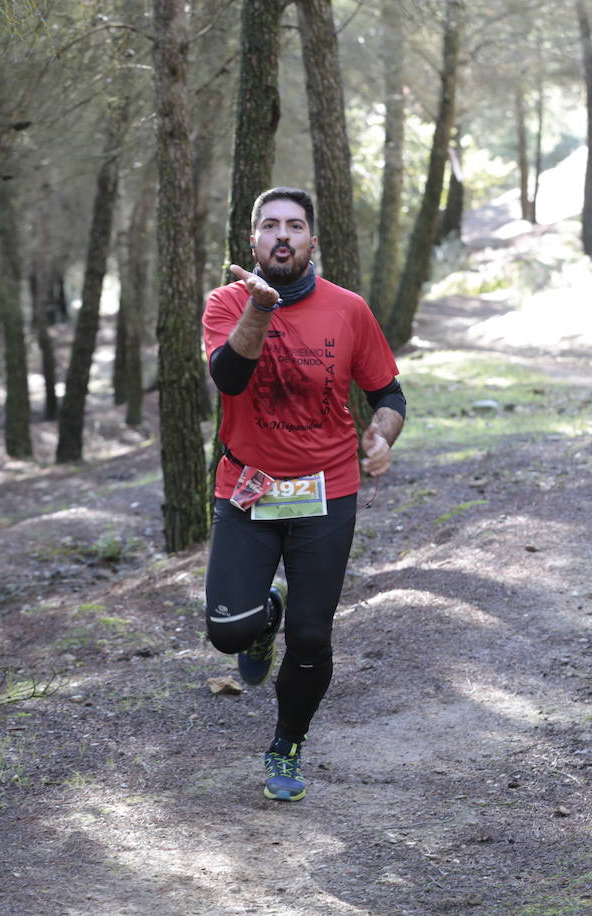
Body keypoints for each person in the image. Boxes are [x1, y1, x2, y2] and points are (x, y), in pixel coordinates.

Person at [202, 187, 406, 802]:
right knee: (227, 633)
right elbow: (228, 378)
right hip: (248, 488)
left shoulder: (347, 310)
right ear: (254, 241)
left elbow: (389, 395)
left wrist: (381, 436)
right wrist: (259, 311)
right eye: (270, 226)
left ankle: (287, 742)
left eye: (295, 226)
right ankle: (264, 617)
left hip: (326, 491)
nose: (282, 235)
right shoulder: (227, 303)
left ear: (313, 241)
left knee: (314, 639)